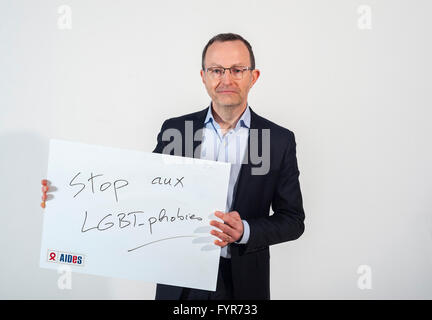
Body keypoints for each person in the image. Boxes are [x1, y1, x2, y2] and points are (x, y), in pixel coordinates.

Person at [41, 33, 305, 300]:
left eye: (237, 70)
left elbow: (293, 220)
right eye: (216, 70)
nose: (226, 79)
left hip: (243, 282)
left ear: (254, 76)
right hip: (180, 280)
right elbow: (137, 194)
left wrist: (245, 230)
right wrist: (66, 195)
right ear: (203, 76)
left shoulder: (278, 140)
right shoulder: (176, 130)